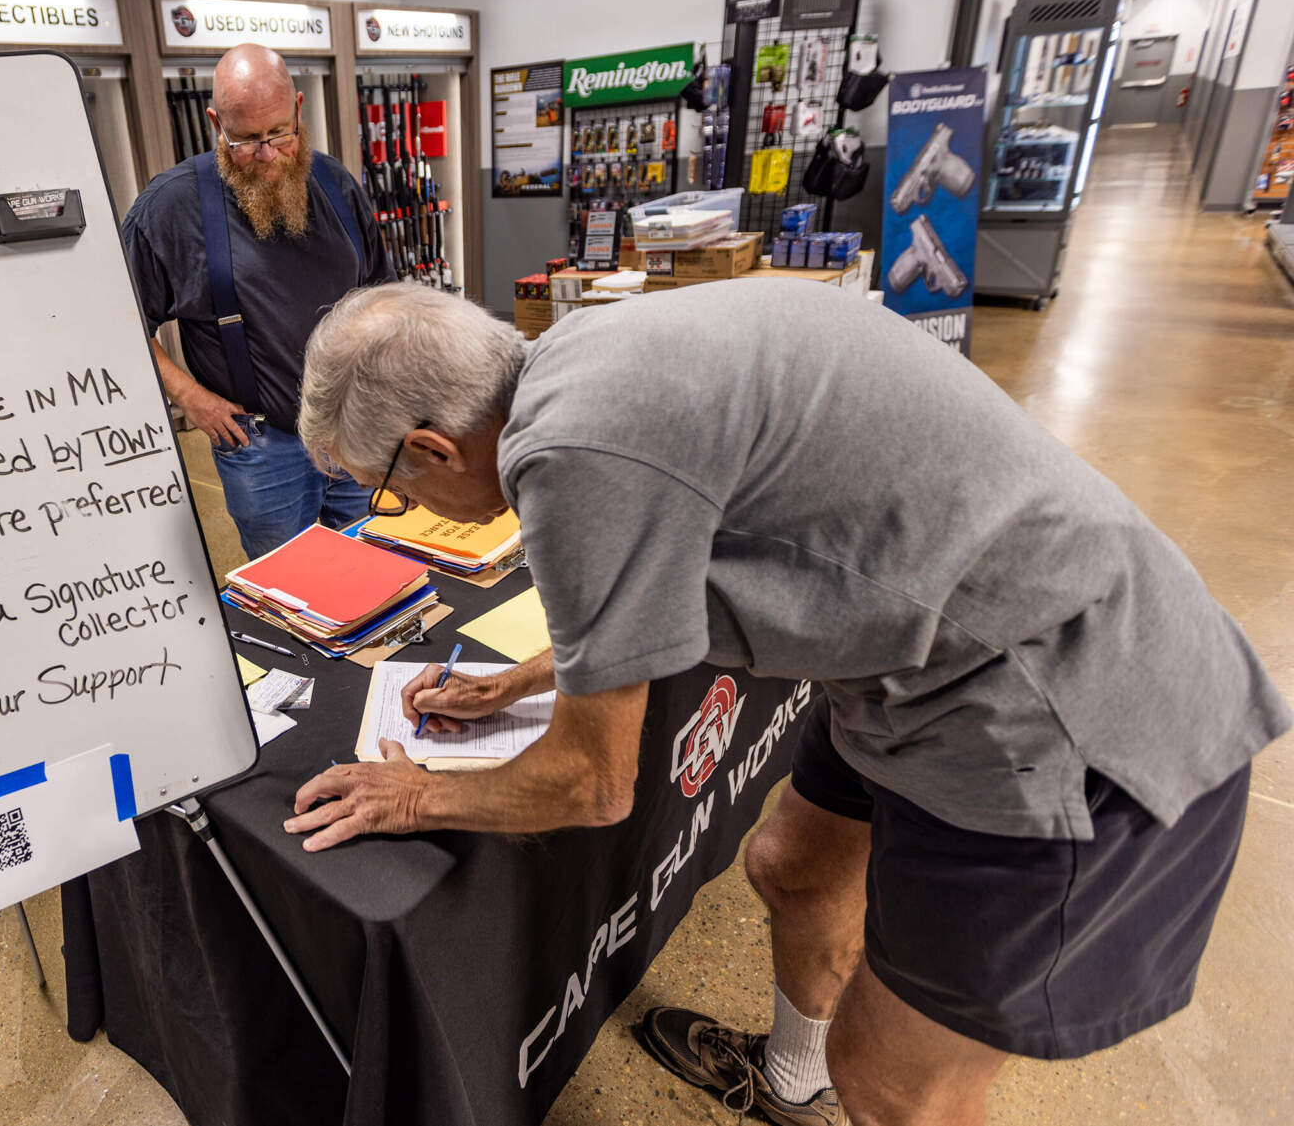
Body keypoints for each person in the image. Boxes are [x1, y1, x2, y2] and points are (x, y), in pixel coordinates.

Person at [283, 281, 1287, 1126]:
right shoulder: (584, 356)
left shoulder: (567, 453)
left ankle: (839, 1081)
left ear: (431, 446)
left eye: (390, 492)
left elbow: (589, 785)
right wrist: (525, 677)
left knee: (897, 1085)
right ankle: (795, 1084)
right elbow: (655, 572)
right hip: (937, 646)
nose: (405, 511)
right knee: (793, 864)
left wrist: (414, 797)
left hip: (1054, 704)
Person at [122, 42, 390, 559]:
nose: (267, 155)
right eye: (245, 140)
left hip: (355, 430)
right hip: (263, 451)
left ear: (298, 108)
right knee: (292, 594)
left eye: (279, 134)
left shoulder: (337, 186)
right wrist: (189, 396)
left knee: (377, 570)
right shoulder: (170, 209)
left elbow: (383, 298)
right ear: (214, 122)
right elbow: (116, 325)